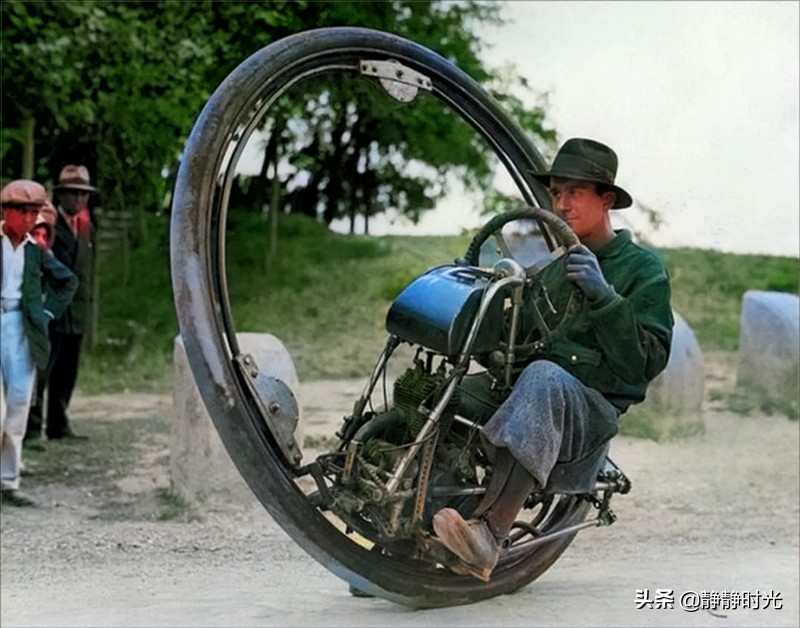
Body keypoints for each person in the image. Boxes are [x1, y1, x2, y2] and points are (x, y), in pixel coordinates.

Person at [431, 138, 675, 581]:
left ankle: (490, 532)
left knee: (545, 377)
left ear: (606, 200)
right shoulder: (554, 269)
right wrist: (483, 301)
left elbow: (645, 364)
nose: (561, 204)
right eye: (556, 192)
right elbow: (517, 345)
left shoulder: (643, 270)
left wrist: (605, 298)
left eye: (575, 193)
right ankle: (395, 538)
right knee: (439, 393)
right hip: (531, 391)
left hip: (589, 410)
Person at [1, 180, 77, 507]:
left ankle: (8, 481)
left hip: (23, 327)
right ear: (6, 211)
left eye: (34, 212)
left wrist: (46, 313)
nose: (29, 218)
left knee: (18, 401)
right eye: (23, 211)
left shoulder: (35, 251)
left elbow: (68, 281)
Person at [29, 165, 98, 442]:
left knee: (67, 374)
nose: (79, 200)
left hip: (77, 313)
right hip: (52, 312)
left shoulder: (86, 227)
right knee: (41, 372)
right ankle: (32, 429)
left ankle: (58, 426)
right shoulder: (47, 225)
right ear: (61, 195)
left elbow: (86, 272)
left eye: (83, 194)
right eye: (73, 194)